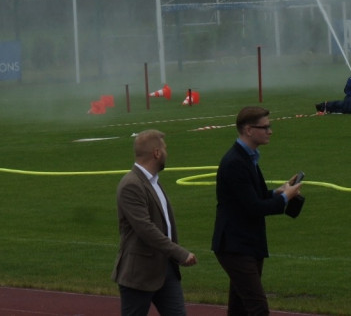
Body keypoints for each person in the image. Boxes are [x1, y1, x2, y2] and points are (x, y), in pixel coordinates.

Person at [212, 107, 303, 316]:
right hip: (235, 246)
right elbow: (253, 207)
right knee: (257, 307)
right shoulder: (235, 162)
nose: (270, 131)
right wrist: (285, 198)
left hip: (246, 244)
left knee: (240, 307)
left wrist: (277, 191)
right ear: (248, 130)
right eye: (265, 127)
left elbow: (254, 197)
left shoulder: (248, 157)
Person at [113, 129, 197, 316]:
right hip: (139, 274)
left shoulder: (153, 182)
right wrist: (179, 252)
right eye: (164, 148)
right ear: (156, 153)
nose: (167, 153)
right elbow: (145, 229)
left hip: (166, 269)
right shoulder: (131, 184)